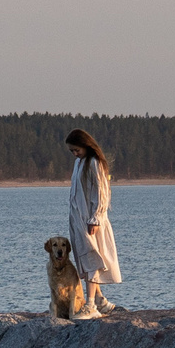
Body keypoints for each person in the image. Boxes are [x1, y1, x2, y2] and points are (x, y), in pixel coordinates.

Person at [65, 128, 121, 318]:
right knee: (84, 257)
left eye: (77, 150)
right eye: (72, 151)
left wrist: (96, 217)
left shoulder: (95, 164)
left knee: (91, 259)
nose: (75, 153)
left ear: (85, 145)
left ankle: (91, 305)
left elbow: (101, 193)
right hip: (78, 218)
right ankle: (100, 301)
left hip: (91, 219)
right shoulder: (78, 163)